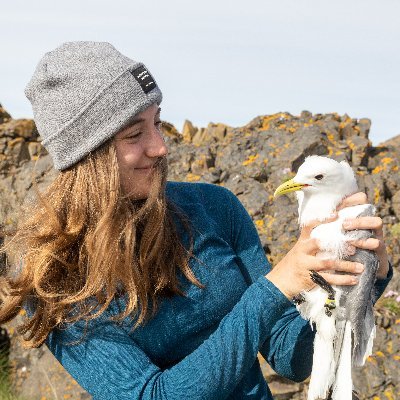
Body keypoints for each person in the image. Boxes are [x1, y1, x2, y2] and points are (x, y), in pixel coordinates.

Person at [0, 41, 392, 400]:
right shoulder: (55, 281)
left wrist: (356, 280)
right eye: (135, 133)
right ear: (87, 158)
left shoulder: (214, 208)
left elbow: (294, 359)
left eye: (158, 122)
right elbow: (153, 396)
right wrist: (272, 290)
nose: (160, 146)